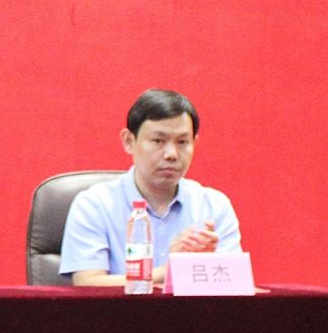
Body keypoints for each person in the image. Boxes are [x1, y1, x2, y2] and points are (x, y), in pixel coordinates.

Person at [60, 87, 242, 288]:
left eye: (183, 142)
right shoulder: (94, 205)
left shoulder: (214, 206)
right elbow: (88, 283)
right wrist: (172, 270)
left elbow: (234, 284)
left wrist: (209, 265)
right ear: (129, 141)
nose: (171, 154)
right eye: (158, 141)